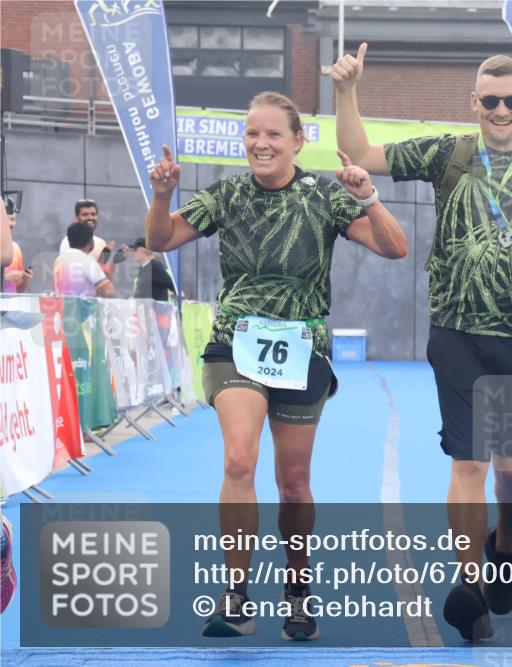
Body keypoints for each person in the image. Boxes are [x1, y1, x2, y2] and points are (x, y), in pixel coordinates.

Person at [331, 45, 512, 641]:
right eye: (490, 101)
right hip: (456, 329)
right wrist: (348, 91)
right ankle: (471, 586)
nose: (501, 110)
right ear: (472, 103)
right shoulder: (449, 153)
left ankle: (505, 542)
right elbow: (364, 156)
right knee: (469, 459)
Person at [145, 91, 407, 641]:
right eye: (251, 134)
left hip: (302, 345)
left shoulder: (322, 196)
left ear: (297, 141)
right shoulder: (227, 194)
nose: (259, 144)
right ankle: (236, 595)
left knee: (293, 483)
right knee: (240, 461)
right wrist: (162, 193)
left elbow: (395, 248)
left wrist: (369, 196)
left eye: (271, 135)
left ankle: (297, 587)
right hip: (234, 341)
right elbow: (162, 238)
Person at [59, 199, 126, 277]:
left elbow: (106, 278)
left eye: (93, 214)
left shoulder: (101, 243)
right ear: (76, 218)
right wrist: (101, 260)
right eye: (85, 214)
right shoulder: (69, 241)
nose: (90, 217)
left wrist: (115, 261)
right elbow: (75, 275)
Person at [53, 222, 115, 297]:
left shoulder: (59, 260)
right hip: (83, 308)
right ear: (90, 242)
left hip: (63, 307)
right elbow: (108, 291)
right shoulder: (88, 261)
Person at [130, 237, 174, 302]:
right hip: (144, 309)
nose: (134, 253)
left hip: (155, 310)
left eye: (135, 250)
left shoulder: (155, 266)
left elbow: (172, 285)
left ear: (142, 250)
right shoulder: (143, 268)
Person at [2, 205, 31, 293]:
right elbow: (8, 278)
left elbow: (18, 290)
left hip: (12, 304)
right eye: (7, 219)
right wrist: (5, 278)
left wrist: (25, 279)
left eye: (13, 219)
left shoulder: (16, 248)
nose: (11, 224)